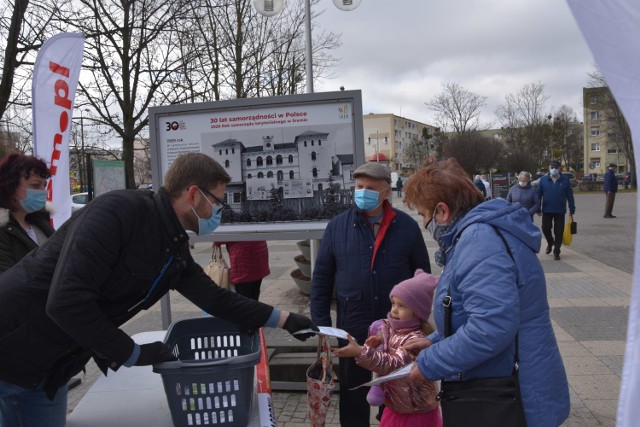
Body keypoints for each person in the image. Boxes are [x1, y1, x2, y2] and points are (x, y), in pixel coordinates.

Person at [0, 153, 317, 427]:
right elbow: (66, 302)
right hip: (11, 352)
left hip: (50, 368)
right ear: (193, 194)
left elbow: (215, 297)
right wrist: (132, 353)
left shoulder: (173, 246)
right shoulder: (117, 213)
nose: (221, 211)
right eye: (218, 201)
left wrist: (284, 318)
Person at [403, 158, 569, 427]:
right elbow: (476, 310)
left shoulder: (480, 241)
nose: (424, 223)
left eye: (423, 214)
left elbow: (491, 326)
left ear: (442, 211)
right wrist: (436, 340)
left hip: (509, 394)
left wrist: (431, 362)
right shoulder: (480, 233)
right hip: (510, 384)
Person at [311, 162, 430, 427]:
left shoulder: (407, 228)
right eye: (359, 187)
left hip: (398, 332)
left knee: (395, 395)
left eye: (371, 188)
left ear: (387, 191)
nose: (363, 192)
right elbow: (321, 279)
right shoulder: (337, 227)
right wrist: (322, 325)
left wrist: (420, 325)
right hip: (352, 328)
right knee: (354, 396)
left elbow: (422, 278)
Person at [332, 269, 442, 427]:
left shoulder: (415, 339)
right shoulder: (392, 330)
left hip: (416, 412)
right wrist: (374, 347)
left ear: (417, 312)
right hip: (396, 407)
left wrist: (360, 351)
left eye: (402, 306)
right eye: (393, 303)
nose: (394, 310)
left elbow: (393, 364)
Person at [0, 153, 54, 274]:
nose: (43, 192)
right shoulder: (3, 231)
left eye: (44, 185)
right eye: (35, 185)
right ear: (10, 187)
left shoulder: (40, 221)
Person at [536, 159, 576, 260]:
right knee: (545, 228)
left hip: (560, 210)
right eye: (551, 167)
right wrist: (537, 208)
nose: (553, 169)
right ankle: (550, 243)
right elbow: (538, 195)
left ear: (560, 169)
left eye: (556, 167)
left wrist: (572, 208)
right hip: (547, 209)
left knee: (559, 231)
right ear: (549, 168)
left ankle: (556, 251)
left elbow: (570, 195)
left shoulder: (565, 180)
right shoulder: (543, 180)